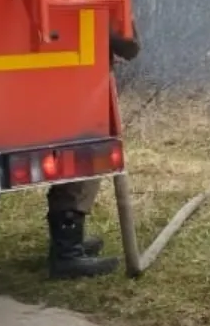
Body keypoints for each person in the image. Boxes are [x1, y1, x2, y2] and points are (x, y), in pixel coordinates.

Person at [42, 30, 142, 278]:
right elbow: (129, 47)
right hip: (78, 80)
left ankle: (66, 244)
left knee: (68, 157)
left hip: (37, 79)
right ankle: (67, 253)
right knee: (83, 158)